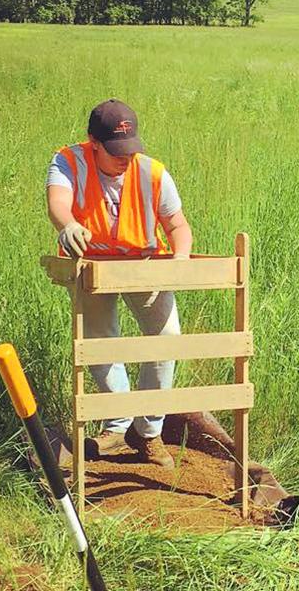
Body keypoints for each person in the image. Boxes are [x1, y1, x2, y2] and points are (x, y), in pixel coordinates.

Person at [45, 99, 193, 469]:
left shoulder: (153, 173)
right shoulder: (68, 161)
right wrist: (69, 226)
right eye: (114, 152)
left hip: (143, 263)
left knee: (167, 338)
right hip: (91, 265)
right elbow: (57, 203)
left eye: (130, 151)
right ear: (92, 142)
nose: (124, 159)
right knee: (99, 344)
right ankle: (118, 422)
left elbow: (178, 226)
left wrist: (179, 261)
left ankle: (147, 434)